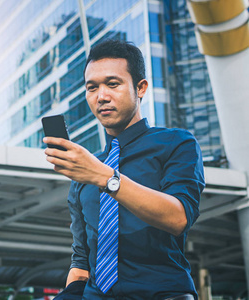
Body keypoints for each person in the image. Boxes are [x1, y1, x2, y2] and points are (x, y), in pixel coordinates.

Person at [43, 39, 205, 300]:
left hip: (161, 293)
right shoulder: (84, 169)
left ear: (140, 88)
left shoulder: (176, 143)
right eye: (92, 88)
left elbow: (178, 218)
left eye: (113, 84)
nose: (101, 96)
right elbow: (81, 260)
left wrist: (105, 177)